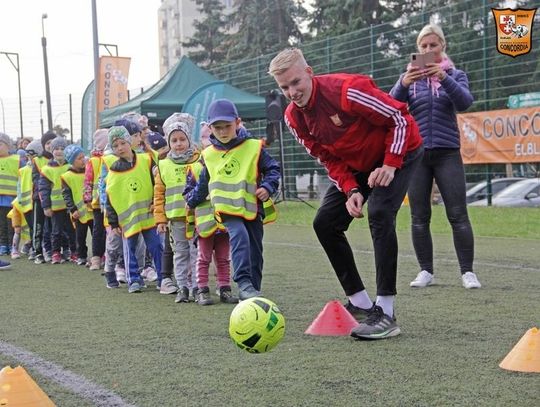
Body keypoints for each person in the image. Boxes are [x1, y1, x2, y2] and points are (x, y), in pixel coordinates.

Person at [269, 48, 423, 340]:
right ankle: (361, 303)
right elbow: (327, 157)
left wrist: (390, 164)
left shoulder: (348, 91)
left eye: (296, 82)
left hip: (400, 150)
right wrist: (351, 188)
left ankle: (386, 312)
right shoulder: (293, 118)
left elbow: (399, 118)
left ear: (310, 72)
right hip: (358, 166)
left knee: (379, 213)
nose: (292, 91)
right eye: (284, 87)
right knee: (325, 223)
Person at [389, 24, 480, 290]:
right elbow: (391, 105)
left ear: (443, 47)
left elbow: (465, 102)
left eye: (433, 45)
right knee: (419, 215)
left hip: (448, 152)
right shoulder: (409, 77)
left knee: (458, 214)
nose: (428, 50)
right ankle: (425, 271)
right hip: (416, 155)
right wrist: (403, 82)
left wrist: (443, 77)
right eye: (424, 46)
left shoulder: (455, 74)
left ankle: (468, 272)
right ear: (418, 50)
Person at [186, 99, 280, 300]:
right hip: (227, 210)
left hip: (252, 208)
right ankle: (243, 282)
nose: (222, 131)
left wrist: (267, 187)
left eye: (227, 126)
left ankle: (252, 292)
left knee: (256, 249)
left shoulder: (254, 147)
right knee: (239, 236)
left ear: (238, 122)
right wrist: (191, 201)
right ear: (210, 128)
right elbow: (203, 183)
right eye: (217, 128)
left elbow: (273, 169)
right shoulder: (208, 155)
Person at [104, 126, 163, 293]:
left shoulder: (146, 160)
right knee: (129, 249)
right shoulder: (114, 171)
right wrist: (113, 222)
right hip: (128, 220)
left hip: (149, 214)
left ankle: (163, 277)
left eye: (123, 143)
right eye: (115, 146)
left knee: (156, 246)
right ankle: (134, 279)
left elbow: (156, 182)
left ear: (130, 142)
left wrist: (156, 203)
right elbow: (110, 197)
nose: (120, 148)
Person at [38, 136, 77, 264]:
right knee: (56, 231)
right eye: (56, 149)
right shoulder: (47, 169)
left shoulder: (71, 166)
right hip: (55, 207)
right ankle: (55, 253)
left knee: (72, 230)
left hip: (71, 206)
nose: (59, 151)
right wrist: (46, 206)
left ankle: (73, 252)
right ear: (52, 151)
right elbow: (43, 190)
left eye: (62, 148)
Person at [62, 144, 93, 266]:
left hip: (92, 210)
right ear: (72, 161)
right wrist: (72, 209)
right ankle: (81, 256)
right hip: (79, 213)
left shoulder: (90, 171)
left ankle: (99, 255)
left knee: (97, 235)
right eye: (79, 158)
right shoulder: (67, 176)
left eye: (83, 156)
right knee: (80, 236)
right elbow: (67, 195)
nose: (83, 160)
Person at [83, 129, 108, 271]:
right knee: (98, 229)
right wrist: (87, 198)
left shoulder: (112, 157)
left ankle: (106, 256)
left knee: (108, 229)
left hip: (110, 201)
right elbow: (87, 180)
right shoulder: (93, 161)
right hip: (97, 202)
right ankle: (96, 258)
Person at [0, 133, 20, 256]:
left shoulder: (16, 160)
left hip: (12, 199)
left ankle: (12, 246)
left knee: (11, 223)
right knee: (1, 224)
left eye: (0, 144)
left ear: (8, 146)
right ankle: (3, 245)